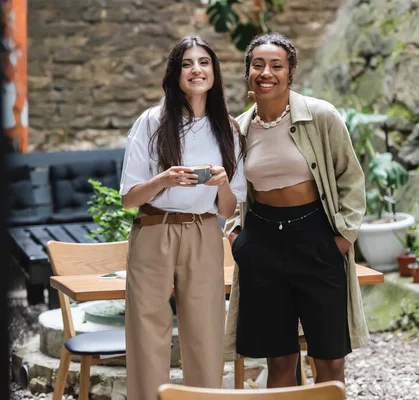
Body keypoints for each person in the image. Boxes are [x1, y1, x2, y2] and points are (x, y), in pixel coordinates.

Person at [224, 33, 369, 387]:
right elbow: (232, 186)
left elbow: (350, 177)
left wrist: (343, 237)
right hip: (262, 242)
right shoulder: (239, 129)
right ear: (247, 74)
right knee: (279, 359)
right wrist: (235, 235)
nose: (266, 72)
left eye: (277, 65)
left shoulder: (321, 116)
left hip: (316, 238)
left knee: (330, 358)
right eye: (257, 65)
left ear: (290, 73)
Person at [119, 36, 246, 400]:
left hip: (203, 232)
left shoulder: (228, 128)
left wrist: (222, 182)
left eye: (204, 62)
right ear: (175, 74)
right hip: (153, 231)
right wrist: (163, 180)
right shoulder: (152, 122)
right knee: (147, 333)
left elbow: (227, 210)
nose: (197, 70)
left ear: (215, 73)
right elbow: (129, 198)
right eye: (187, 64)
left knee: (206, 332)